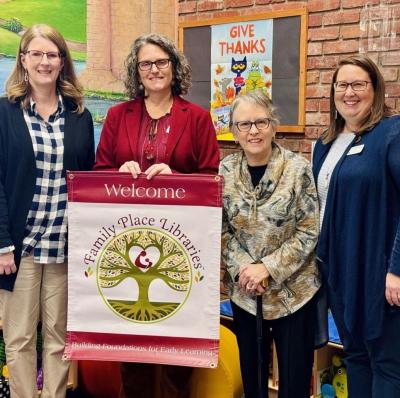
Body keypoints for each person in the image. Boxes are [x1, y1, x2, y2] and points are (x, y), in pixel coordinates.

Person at [94, 33, 220, 398]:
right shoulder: (119, 115)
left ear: (174, 67)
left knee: (178, 340)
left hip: (182, 246)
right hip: (127, 242)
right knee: (133, 341)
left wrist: (177, 180)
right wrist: (118, 173)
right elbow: (98, 171)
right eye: (146, 63)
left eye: (161, 62)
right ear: (137, 71)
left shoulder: (196, 118)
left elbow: (212, 179)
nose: (154, 70)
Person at [0, 24, 94, 398]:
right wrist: (3, 242)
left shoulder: (79, 116)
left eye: (52, 54)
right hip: (18, 250)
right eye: (36, 54)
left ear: (62, 62)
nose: (44, 61)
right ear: (23, 60)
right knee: (20, 336)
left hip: (63, 248)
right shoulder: (5, 112)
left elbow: (86, 177)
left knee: (58, 337)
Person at [220, 90, 320, 398]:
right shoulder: (224, 172)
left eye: (261, 122)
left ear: (273, 125)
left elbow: (309, 229)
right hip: (245, 294)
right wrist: (245, 270)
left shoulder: (297, 168)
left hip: (294, 295)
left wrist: (268, 268)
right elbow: (221, 229)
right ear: (234, 132)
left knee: (293, 382)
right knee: (253, 382)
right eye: (244, 124)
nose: (253, 131)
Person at [312, 54, 400, 397]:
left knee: (387, 363)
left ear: (375, 90)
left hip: (379, 275)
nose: (349, 92)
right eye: (342, 85)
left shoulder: (391, 133)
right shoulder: (325, 144)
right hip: (340, 272)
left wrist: (396, 269)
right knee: (355, 355)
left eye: (359, 84)